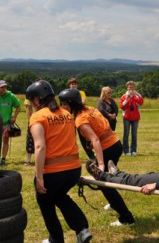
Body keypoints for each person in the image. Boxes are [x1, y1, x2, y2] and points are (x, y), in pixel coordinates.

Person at [26, 80, 92, 243]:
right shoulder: (66, 114)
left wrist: (39, 177)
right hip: (73, 170)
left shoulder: (38, 117)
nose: (31, 104)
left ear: (37, 99)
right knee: (59, 195)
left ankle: (56, 239)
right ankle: (82, 229)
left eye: (31, 100)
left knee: (45, 202)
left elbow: (40, 146)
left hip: (53, 172)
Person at [58, 88, 136, 227]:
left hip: (108, 148)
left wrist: (100, 164)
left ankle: (127, 218)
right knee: (108, 181)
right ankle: (114, 203)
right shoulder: (89, 108)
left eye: (64, 104)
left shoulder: (80, 120)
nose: (62, 107)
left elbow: (95, 140)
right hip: (115, 143)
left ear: (72, 104)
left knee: (105, 185)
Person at [120, 81, 143, 156]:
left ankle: (133, 150)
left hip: (135, 117)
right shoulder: (124, 96)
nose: (131, 89)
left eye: (132, 87)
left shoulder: (138, 95)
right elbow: (122, 107)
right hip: (127, 117)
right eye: (130, 87)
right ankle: (126, 151)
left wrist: (134, 97)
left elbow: (141, 103)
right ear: (127, 88)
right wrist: (127, 99)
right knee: (126, 134)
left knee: (134, 134)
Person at [24, 98, 35, 165]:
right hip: (33, 120)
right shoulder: (29, 96)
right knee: (30, 140)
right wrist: (30, 120)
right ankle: (28, 159)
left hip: (42, 119)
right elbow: (28, 108)